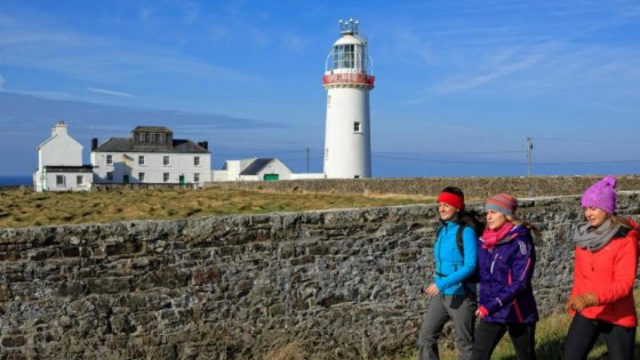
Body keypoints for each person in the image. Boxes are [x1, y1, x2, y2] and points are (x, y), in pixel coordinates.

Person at [563, 175, 639, 360]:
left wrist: (593, 298)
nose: (588, 213)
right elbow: (580, 276)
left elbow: (624, 283)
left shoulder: (625, 239)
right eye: (586, 208)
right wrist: (575, 304)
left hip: (618, 315)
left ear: (607, 209)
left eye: (593, 208)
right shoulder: (584, 238)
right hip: (588, 311)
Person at [472, 193, 539, 360]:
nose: (488, 217)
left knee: (526, 356)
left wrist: (492, 305)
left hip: (518, 311)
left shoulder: (521, 242)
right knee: (478, 356)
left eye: (493, 212)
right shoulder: (485, 241)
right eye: (487, 213)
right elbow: (481, 274)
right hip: (491, 310)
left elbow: (521, 282)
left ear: (506, 214)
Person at [418, 186, 481, 360]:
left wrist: (441, 283)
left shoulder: (466, 231)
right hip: (441, 296)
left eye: (447, 205)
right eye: (440, 204)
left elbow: (470, 266)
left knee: (465, 345)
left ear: (458, 207)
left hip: (462, 295)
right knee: (425, 338)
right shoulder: (442, 229)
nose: (441, 208)